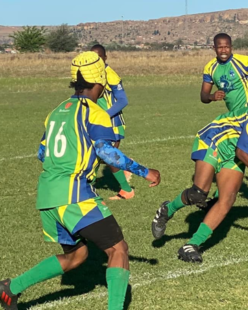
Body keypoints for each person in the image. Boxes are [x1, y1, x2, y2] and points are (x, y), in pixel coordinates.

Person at [0, 52, 161, 310]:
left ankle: (11, 288)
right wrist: (145, 171)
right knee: (118, 250)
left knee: (76, 255)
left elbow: (42, 152)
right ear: (100, 80)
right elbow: (106, 152)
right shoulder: (95, 112)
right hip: (74, 195)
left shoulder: (56, 111)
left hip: (48, 197)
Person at [151, 106, 248, 262]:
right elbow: (242, 152)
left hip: (233, 154)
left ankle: (192, 245)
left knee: (227, 200)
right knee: (198, 194)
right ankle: (167, 209)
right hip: (214, 141)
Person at [89, 44, 135, 201]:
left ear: (105, 58)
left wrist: (104, 115)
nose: (97, 61)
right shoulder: (90, 75)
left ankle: (126, 190)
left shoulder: (111, 75)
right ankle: (125, 169)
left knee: (103, 156)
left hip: (113, 122)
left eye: (99, 58)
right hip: (98, 123)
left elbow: (123, 100)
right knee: (96, 155)